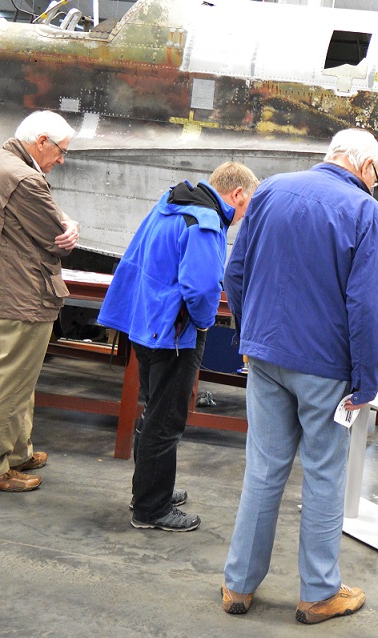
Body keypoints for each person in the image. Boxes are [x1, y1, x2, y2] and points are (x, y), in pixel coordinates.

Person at [220, 128, 378, 624]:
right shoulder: (365, 212)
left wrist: (249, 336)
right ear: (365, 167)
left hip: (266, 357)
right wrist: (366, 378)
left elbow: (237, 271)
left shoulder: (270, 189)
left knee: (263, 470)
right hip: (326, 369)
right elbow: (366, 306)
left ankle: (238, 586)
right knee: (322, 475)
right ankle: (318, 592)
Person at [99, 162, 260, 532]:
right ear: (237, 194)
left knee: (153, 409)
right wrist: (203, 324)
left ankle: (150, 489)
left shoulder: (171, 202)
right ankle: (151, 509)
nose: (243, 216)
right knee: (166, 420)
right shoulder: (204, 222)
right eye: (248, 204)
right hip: (174, 334)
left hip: (146, 324)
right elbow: (202, 289)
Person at [0, 110, 80, 492]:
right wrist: (69, 226)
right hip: (24, 294)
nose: (62, 160)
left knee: (14, 377)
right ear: (42, 141)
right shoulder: (27, 180)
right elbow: (55, 237)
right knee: (10, 382)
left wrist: (63, 221)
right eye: (61, 151)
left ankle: (16, 452)